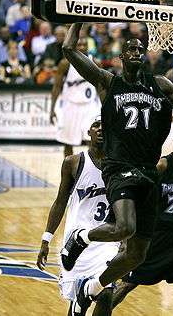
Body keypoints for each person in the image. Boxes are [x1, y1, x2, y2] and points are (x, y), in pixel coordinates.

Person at [59, 23, 173, 315]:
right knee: (125, 227)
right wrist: (80, 18)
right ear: (121, 57)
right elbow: (68, 49)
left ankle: (91, 290)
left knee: (136, 255)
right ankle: (81, 237)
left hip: (148, 172)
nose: (136, 52)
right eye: (131, 49)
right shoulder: (108, 82)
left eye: (140, 48)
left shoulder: (160, 84)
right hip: (119, 168)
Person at [111, 128, 173, 314]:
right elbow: (140, 198)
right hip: (156, 233)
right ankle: (101, 311)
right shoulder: (163, 165)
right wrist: (129, 235)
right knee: (128, 283)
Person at [37, 117, 119, 316]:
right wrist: (46, 239)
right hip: (76, 243)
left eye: (105, 126)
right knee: (77, 304)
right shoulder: (73, 162)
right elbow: (59, 202)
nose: (100, 129)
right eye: (96, 126)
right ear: (88, 133)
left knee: (106, 294)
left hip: (106, 241)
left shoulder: (119, 164)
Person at [50, 37, 101, 157]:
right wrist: (52, 109)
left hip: (90, 106)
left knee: (92, 141)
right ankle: (69, 172)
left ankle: (92, 169)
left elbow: (101, 86)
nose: (82, 47)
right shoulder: (65, 64)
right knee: (67, 143)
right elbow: (57, 87)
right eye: (79, 45)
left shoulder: (96, 63)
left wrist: (105, 106)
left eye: (84, 44)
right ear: (74, 46)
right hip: (70, 106)